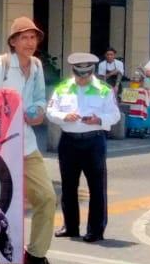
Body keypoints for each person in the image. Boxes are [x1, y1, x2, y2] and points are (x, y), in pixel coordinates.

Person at [0, 17, 63, 264]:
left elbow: (38, 101)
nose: (30, 42)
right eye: (24, 37)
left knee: (46, 197)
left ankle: (35, 255)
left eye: (33, 37)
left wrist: (37, 113)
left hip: (26, 143)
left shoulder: (36, 66)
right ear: (12, 42)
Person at [47, 53, 119, 243]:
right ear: (74, 71)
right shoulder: (62, 88)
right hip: (69, 141)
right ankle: (70, 227)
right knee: (69, 186)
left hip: (94, 141)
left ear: (92, 71)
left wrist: (99, 119)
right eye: (80, 75)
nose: (83, 79)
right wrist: (64, 117)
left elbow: (115, 115)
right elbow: (50, 111)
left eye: (86, 75)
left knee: (97, 187)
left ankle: (95, 230)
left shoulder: (104, 89)